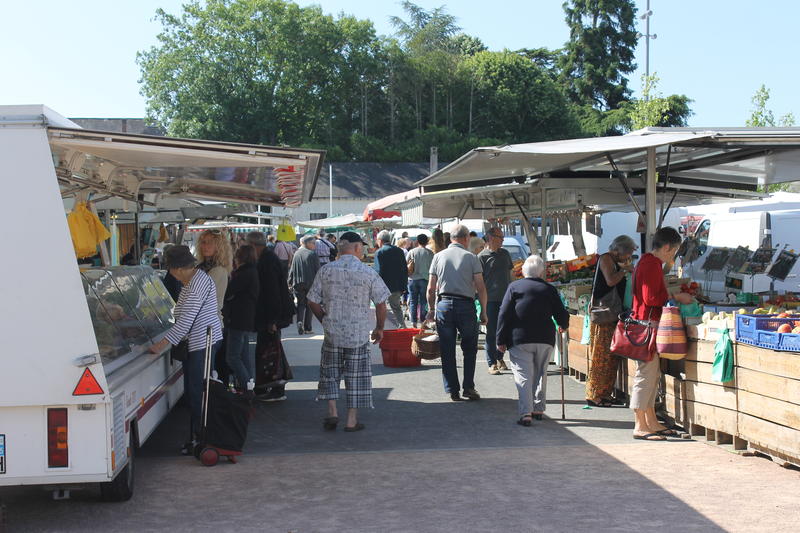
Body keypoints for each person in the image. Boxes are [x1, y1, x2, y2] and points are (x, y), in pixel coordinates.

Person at [307, 231, 390, 432]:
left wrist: (324, 319)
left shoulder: (326, 270)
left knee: (330, 373)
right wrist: (379, 328)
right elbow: (381, 303)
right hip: (358, 333)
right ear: (357, 248)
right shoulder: (367, 272)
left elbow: (311, 300)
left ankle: (332, 412)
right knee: (357, 376)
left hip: (332, 332)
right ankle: (351, 421)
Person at [148, 245, 222, 452]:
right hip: (200, 341)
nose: (171, 274)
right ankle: (198, 436)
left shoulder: (196, 284)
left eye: (171, 270)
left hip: (203, 342)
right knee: (194, 390)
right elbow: (182, 313)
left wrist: (162, 344)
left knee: (197, 391)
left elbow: (186, 321)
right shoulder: (193, 281)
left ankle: (203, 438)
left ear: (178, 268)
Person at [630, 227, 694, 441]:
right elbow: (650, 298)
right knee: (646, 376)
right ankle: (640, 425)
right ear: (667, 247)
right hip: (647, 326)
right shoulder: (651, 264)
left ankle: (651, 422)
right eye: (674, 251)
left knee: (652, 375)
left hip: (647, 324)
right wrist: (676, 295)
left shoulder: (649, 262)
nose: (673, 256)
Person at [496, 255, 570, 426]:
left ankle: (525, 413)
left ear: (523, 271)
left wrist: (500, 339)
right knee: (540, 373)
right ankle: (538, 408)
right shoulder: (549, 289)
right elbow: (561, 312)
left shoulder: (514, 287)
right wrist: (563, 325)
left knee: (523, 375)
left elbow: (504, 314)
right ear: (541, 271)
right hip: (545, 338)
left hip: (520, 338)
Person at [426, 224, 488, 401]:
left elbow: (431, 288)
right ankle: (468, 386)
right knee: (469, 348)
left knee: (447, 348)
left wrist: (431, 309)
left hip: (444, 304)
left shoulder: (438, 256)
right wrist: (483, 311)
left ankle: (452, 389)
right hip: (466, 305)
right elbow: (481, 287)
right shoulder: (472, 258)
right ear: (466, 238)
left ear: (451, 238)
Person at [585, 235, 637, 407]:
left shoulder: (616, 260)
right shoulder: (606, 259)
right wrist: (625, 269)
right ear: (616, 251)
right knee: (601, 356)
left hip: (613, 315)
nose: (627, 256)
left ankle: (605, 393)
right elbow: (610, 280)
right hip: (604, 317)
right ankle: (594, 394)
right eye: (626, 253)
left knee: (610, 357)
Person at [246, 231, 295, 402]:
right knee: (268, 350)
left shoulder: (267, 261)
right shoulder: (266, 259)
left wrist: (273, 320)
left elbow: (273, 292)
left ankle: (276, 388)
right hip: (269, 314)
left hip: (272, 315)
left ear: (253, 246)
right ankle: (267, 387)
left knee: (271, 351)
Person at [222, 245, 260, 389]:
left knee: (232, 357)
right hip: (246, 317)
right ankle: (248, 384)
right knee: (243, 356)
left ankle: (246, 385)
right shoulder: (252, 271)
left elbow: (229, 292)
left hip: (238, 318)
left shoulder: (243, 273)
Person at [479, 227, 514, 375]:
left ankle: (499, 357)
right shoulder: (482, 257)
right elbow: (478, 280)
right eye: (500, 237)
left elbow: (511, 274)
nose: (503, 240)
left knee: (506, 331)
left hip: (506, 299)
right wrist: (481, 303)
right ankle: (491, 362)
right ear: (491, 238)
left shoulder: (505, 254)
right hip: (490, 300)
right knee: (492, 332)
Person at [195, 229, 233, 323]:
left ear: (219, 246)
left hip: (209, 324)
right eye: (203, 242)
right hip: (202, 322)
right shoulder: (201, 267)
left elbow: (198, 295)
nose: (205, 246)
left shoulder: (218, 269)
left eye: (211, 243)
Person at [373, 229, 408, 329]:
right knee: (396, 308)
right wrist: (404, 286)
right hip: (397, 286)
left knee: (381, 308)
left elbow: (378, 272)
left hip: (384, 286)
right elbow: (404, 270)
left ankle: (383, 328)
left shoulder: (379, 252)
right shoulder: (399, 251)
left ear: (380, 240)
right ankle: (402, 327)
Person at [289, 234, 321, 335]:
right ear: (307, 243)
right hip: (310, 282)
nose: (314, 245)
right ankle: (307, 327)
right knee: (310, 305)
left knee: (300, 304)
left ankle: (299, 321)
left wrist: (289, 281)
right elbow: (318, 270)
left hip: (298, 283)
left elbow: (292, 269)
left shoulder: (297, 254)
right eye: (313, 243)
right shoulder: (312, 254)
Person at [407, 234, 434, 328]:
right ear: (426, 242)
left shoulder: (412, 251)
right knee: (423, 301)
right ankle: (423, 321)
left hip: (412, 279)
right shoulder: (430, 253)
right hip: (425, 279)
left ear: (417, 241)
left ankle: (413, 322)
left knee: (413, 301)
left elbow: (406, 264)